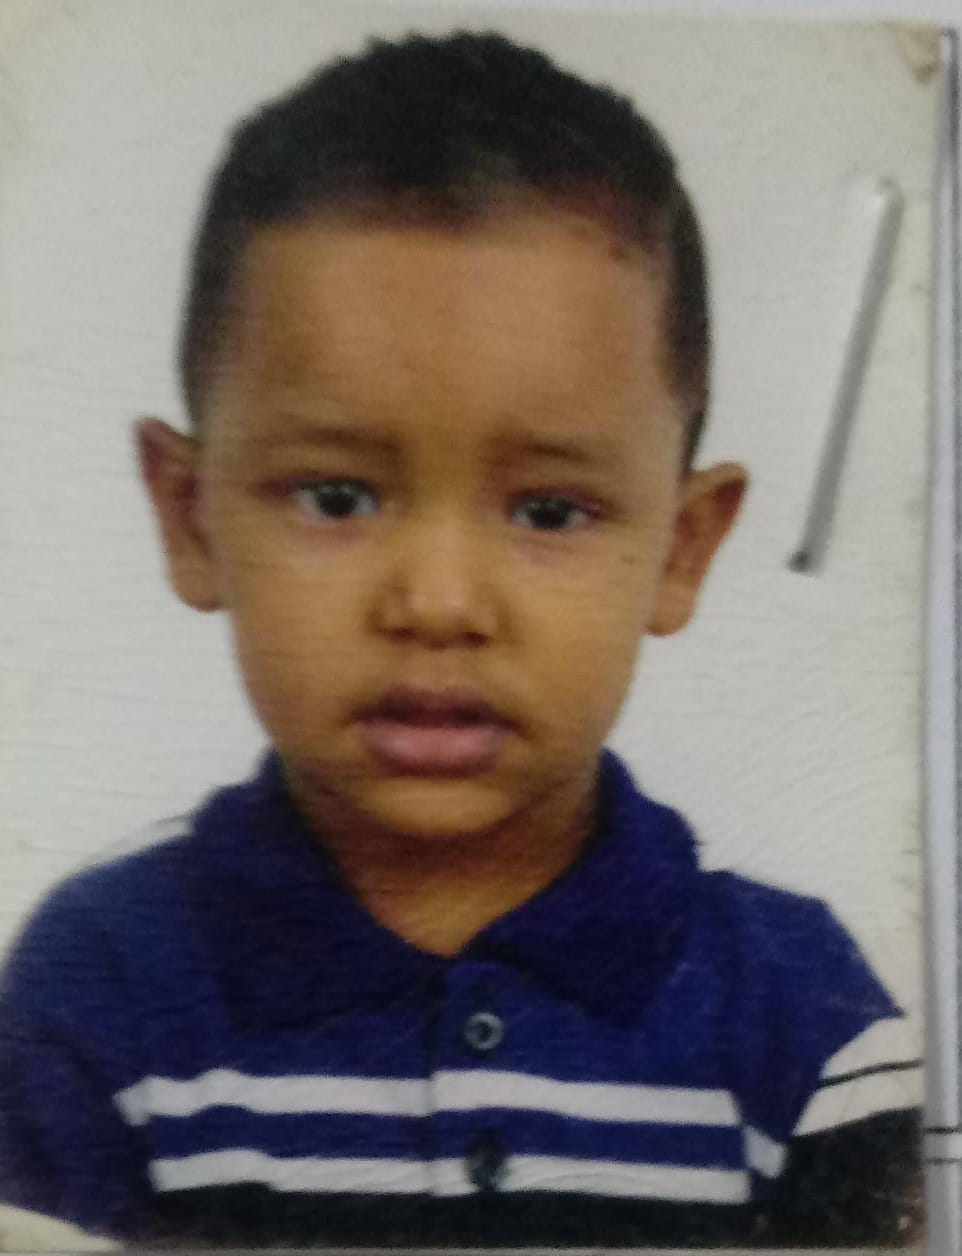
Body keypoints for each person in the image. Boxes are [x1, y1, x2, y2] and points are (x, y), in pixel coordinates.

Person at [0, 29, 922, 1249]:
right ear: (190, 515)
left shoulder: (805, 1021)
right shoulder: (95, 986)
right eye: (337, 495)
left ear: (682, 546)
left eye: (548, 510)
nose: (437, 602)